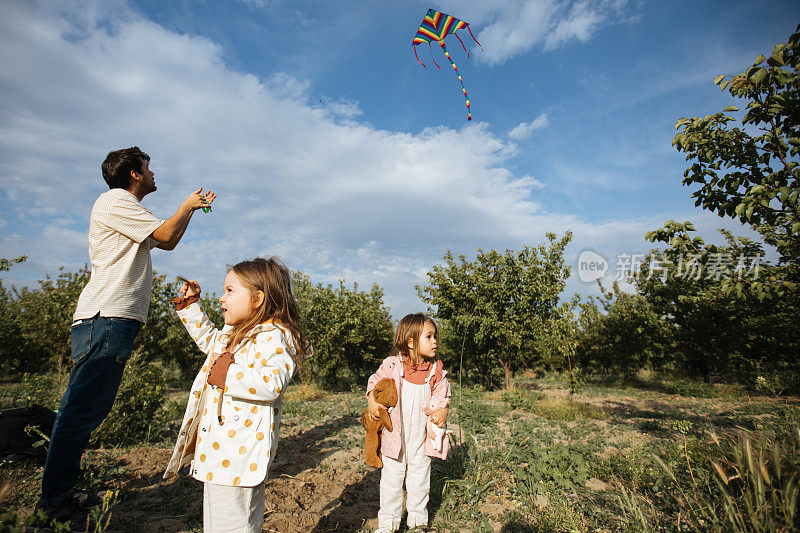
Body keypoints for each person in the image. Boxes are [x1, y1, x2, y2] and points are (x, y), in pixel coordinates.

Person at [38, 147, 215, 520]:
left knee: (87, 408)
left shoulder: (129, 210)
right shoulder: (115, 200)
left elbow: (166, 241)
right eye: (148, 167)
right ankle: (54, 504)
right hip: (105, 318)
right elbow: (166, 230)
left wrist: (191, 212)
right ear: (134, 173)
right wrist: (186, 204)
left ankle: (60, 494)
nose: (153, 173)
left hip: (113, 320)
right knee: (79, 411)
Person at [164, 257, 309, 533]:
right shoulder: (236, 332)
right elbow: (211, 342)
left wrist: (226, 375)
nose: (221, 298)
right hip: (220, 450)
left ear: (257, 299)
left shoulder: (275, 336)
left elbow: (272, 382)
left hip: (239, 455)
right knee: (219, 522)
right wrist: (191, 308)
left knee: (234, 524)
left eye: (230, 291)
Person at [366, 313, 451, 533]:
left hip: (420, 441)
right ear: (411, 342)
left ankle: (417, 522)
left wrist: (442, 410)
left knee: (419, 479)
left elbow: (443, 396)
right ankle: (388, 524)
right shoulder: (393, 365)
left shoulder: (435, 371)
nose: (435, 342)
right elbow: (375, 383)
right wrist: (372, 402)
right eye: (429, 337)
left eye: (435, 337)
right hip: (395, 438)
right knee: (391, 482)